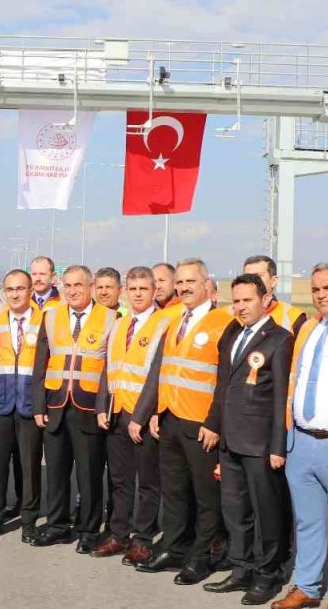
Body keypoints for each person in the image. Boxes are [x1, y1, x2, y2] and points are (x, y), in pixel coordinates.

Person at [132, 258, 234, 583]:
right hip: (171, 419)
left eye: (192, 282)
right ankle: (174, 548)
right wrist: (156, 413)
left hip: (201, 423)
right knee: (174, 491)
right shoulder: (176, 321)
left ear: (207, 284)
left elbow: (224, 381)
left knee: (205, 496)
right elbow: (165, 371)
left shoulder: (223, 323)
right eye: (180, 283)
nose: (185, 287)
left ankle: (201, 556)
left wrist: (215, 422)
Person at [200, 274, 294, 604]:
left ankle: (267, 574)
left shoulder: (279, 339)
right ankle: (241, 568)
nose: (240, 307)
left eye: (247, 300)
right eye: (236, 300)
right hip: (231, 440)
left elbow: (282, 396)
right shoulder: (234, 335)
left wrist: (277, 445)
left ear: (266, 299)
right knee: (236, 509)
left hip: (260, 444)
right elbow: (224, 385)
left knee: (265, 511)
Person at [272, 262, 328, 609]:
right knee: (307, 521)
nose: (322, 295)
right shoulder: (309, 329)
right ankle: (307, 585)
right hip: (302, 440)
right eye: (316, 289)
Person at [29, 266, 116, 552]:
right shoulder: (51, 315)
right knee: (56, 470)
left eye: (79, 284)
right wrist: (39, 403)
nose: (73, 290)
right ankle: (57, 525)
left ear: (91, 285)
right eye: (68, 285)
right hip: (55, 405)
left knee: (89, 473)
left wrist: (104, 406)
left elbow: (110, 369)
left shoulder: (111, 318)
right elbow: (41, 361)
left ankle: (89, 529)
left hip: (89, 407)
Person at [96, 266, 172, 565]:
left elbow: (156, 376)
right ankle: (119, 533)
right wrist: (102, 405)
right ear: (125, 291)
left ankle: (142, 539)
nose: (138, 294)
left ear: (154, 291)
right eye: (133, 288)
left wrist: (141, 415)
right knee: (120, 481)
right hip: (116, 413)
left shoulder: (163, 323)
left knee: (148, 483)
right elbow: (108, 367)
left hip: (142, 416)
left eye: (143, 288)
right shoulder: (119, 323)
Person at [0, 270, 41, 542]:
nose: (14, 294)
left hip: (29, 405)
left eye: (20, 288)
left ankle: (29, 521)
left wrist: (41, 406)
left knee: (29, 467)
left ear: (30, 290)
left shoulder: (43, 320)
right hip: (1, 404)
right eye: (10, 289)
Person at [241, 254, 308, 333]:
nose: (251, 281)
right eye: (247, 277)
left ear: (274, 281)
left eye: (258, 276)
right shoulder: (230, 315)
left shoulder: (293, 317)